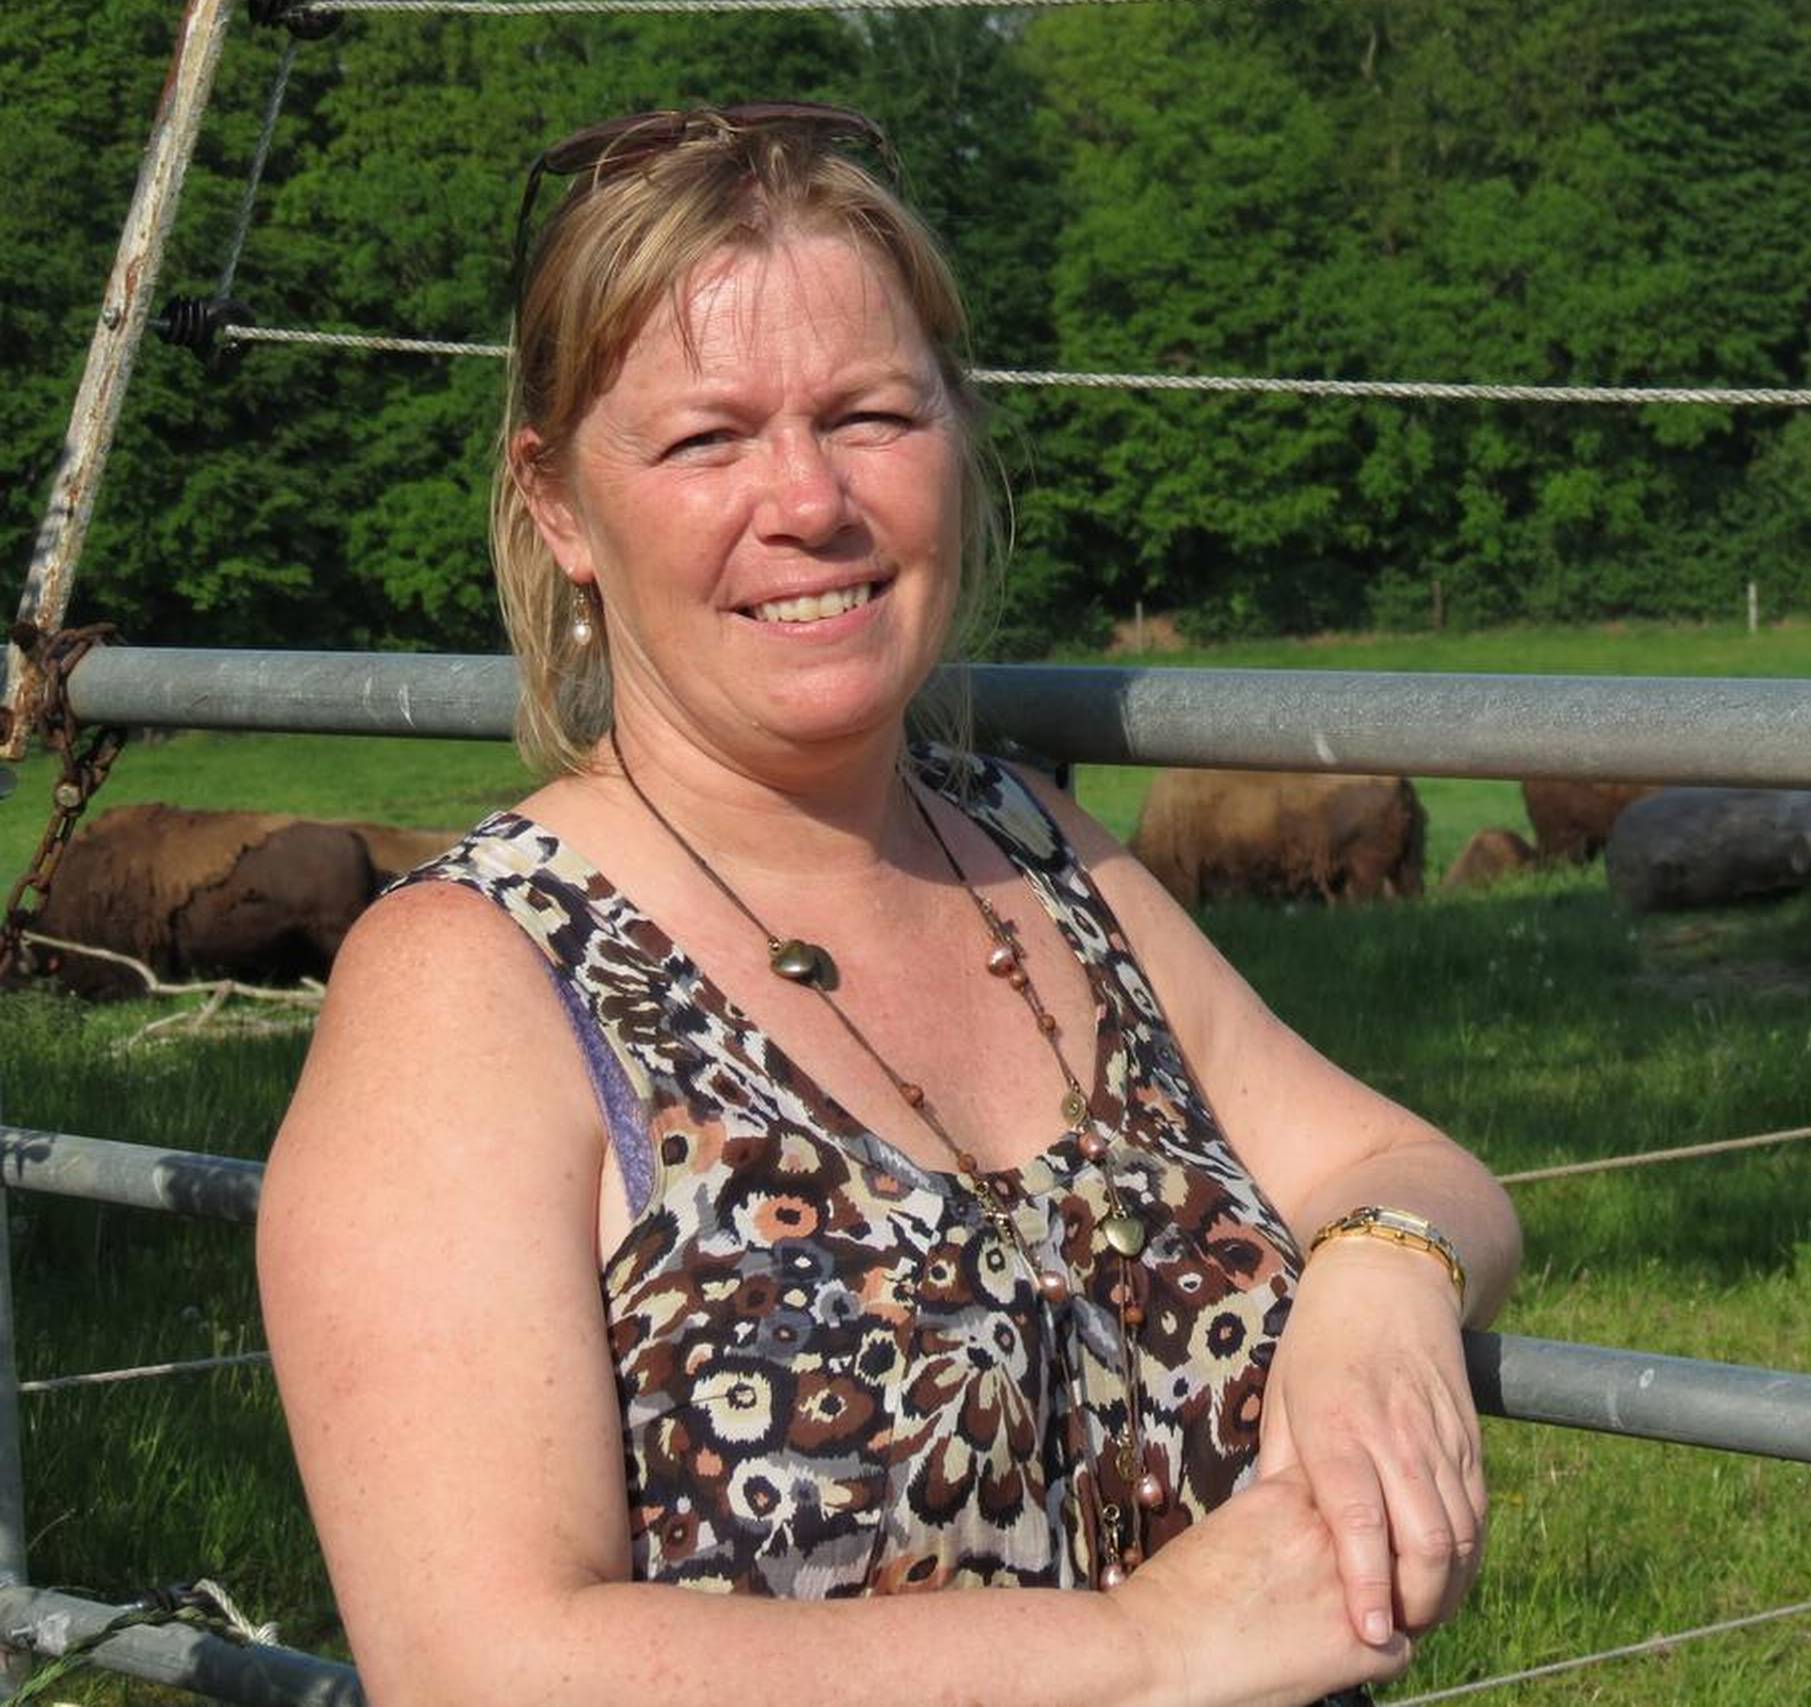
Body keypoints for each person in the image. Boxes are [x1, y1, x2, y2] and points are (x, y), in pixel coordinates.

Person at [259, 105, 1520, 1707]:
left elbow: (1404, 1163)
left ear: (955, 433)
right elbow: (478, 1663)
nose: (809, 502)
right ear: (562, 506)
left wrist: (1384, 1284)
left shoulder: (1037, 854)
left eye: (867, 414)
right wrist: (1145, 1653)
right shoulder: (473, 980)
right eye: (707, 439)